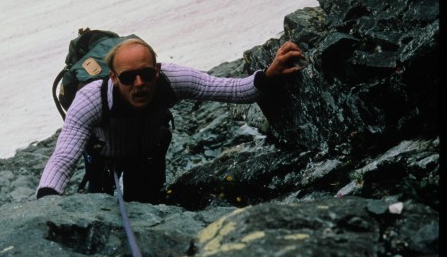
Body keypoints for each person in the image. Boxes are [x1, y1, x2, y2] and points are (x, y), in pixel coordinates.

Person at [37, 38, 304, 204]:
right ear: (114, 78)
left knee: (147, 205)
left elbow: (232, 90)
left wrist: (270, 74)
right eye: (129, 77)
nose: (139, 84)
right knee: (101, 206)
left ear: (157, 70)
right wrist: (46, 203)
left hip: (149, 155)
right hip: (106, 160)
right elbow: (63, 158)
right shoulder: (90, 100)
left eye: (146, 74)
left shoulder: (172, 80)